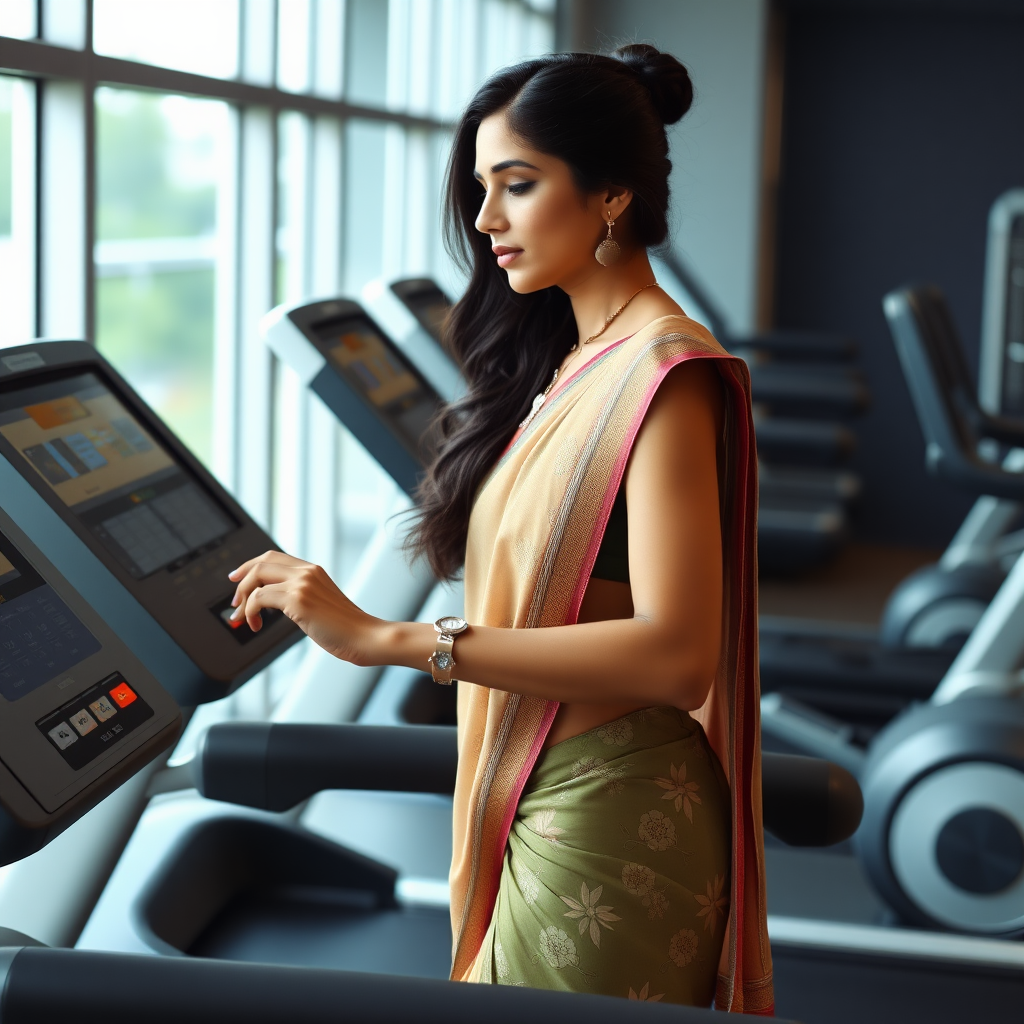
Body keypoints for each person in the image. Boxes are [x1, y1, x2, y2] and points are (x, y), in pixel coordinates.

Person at [226, 44, 772, 1014]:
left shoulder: (666, 378)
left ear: (610, 197)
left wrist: (387, 639)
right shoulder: (575, 358)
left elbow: (678, 655)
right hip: (543, 791)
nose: (484, 221)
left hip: (606, 822)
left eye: (516, 186)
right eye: (481, 189)